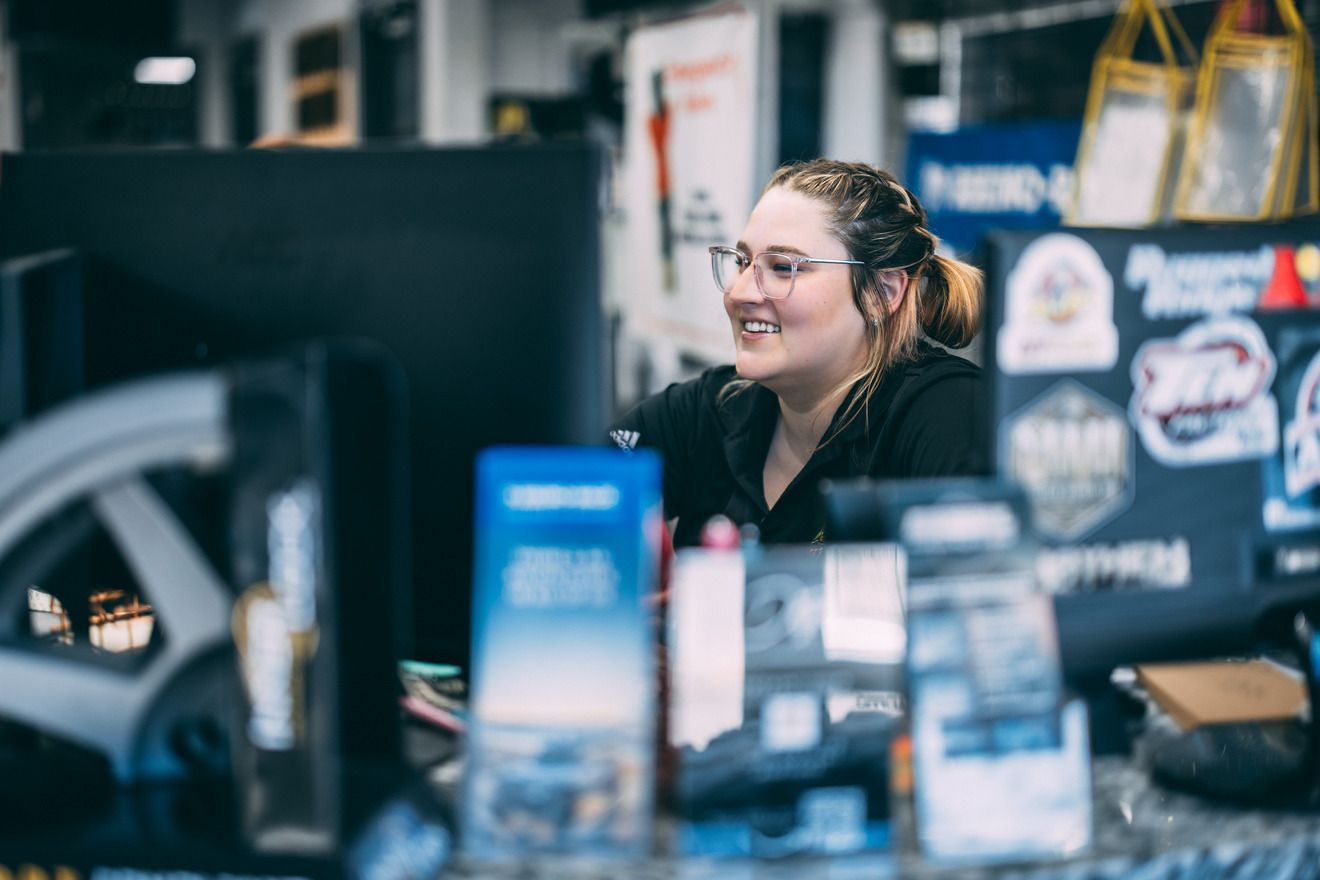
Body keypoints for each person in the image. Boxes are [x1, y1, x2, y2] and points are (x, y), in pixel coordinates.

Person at [610, 158, 988, 547]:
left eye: (783, 267)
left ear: (882, 293)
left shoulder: (947, 413)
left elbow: (978, 588)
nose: (740, 292)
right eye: (742, 262)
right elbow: (569, 501)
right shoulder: (710, 410)